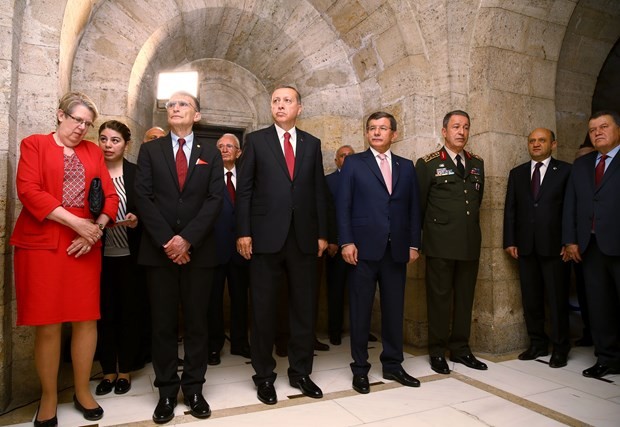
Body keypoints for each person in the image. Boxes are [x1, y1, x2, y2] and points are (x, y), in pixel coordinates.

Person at [10, 91, 119, 426]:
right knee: (48, 324)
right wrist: (77, 224)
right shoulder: (34, 144)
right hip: (43, 243)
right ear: (60, 115)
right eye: (77, 120)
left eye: (87, 124)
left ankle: (82, 391)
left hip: (85, 246)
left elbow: (110, 197)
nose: (82, 129)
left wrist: (96, 229)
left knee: (86, 320)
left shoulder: (92, 151)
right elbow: (28, 190)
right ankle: (48, 396)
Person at [134, 91, 224, 423]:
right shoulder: (150, 149)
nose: (175, 108)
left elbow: (215, 200)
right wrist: (168, 242)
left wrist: (187, 240)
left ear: (196, 115)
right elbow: (142, 197)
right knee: (163, 325)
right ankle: (167, 392)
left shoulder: (210, 153)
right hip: (159, 254)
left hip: (199, 253)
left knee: (199, 324)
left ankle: (195, 389)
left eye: (182, 104)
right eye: (171, 105)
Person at [236, 85, 328, 405]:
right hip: (264, 238)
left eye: (287, 100)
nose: (280, 105)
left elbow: (318, 191)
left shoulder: (312, 144)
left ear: (299, 108)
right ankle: (264, 376)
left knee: (304, 309)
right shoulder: (256, 141)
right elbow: (244, 190)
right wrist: (243, 232)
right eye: (275, 100)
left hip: (303, 238)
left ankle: (301, 373)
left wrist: (321, 233)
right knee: (263, 310)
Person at [337, 112, 422, 394]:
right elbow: (343, 206)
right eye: (372, 128)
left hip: (395, 250)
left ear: (393, 134)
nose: (376, 132)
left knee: (394, 311)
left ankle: (393, 365)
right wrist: (347, 242)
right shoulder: (353, 163)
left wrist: (413, 244)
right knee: (361, 312)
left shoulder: (406, 166)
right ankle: (360, 369)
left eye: (382, 128)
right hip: (362, 250)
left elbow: (413, 209)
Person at [415, 110, 487, 374]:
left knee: (465, 298)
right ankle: (437, 351)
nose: (461, 132)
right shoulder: (428, 163)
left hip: (469, 243)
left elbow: (476, 201)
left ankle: (461, 348)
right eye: (456, 126)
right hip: (440, 243)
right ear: (444, 131)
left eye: (466, 127)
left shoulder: (477, 162)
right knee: (439, 299)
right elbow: (419, 207)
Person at [503, 128, 571, 368]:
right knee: (531, 299)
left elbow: (570, 209)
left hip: (556, 248)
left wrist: (569, 241)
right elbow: (510, 209)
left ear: (553, 144)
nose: (536, 144)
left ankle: (561, 348)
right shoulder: (518, 173)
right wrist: (510, 240)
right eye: (532, 141)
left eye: (541, 140)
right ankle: (537, 344)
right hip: (526, 248)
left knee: (556, 299)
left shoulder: (565, 171)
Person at [562, 110, 620, 379]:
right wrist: (571, 240)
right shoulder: (583, 166)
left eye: (603, 126)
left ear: (617, 129)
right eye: (593, 129)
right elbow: (571, 205)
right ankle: (607, 357)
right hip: (591, 247)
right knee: (598, 305)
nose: (597, 132)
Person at [95, 120, 147, 396]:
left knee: (129, 312)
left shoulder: (136, 174)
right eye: (103, 139)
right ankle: (107, 371)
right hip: (97, 257)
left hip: (130, 255)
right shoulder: (92, 171)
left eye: (114, 140)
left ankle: (125, 369)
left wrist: (135, 218)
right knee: (103, 314)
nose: (108, 145)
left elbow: (146, 211)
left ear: (126, 144)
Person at [207, 133, 250, 366]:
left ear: (239, 152)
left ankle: (240, 343)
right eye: (220, 146)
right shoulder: (207, 176)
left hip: (241, 250)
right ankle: (213, 346)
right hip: (213, 249)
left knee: (241, 298)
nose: (224, 149)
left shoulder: (246, 177)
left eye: (229, 146)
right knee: (212, 300)